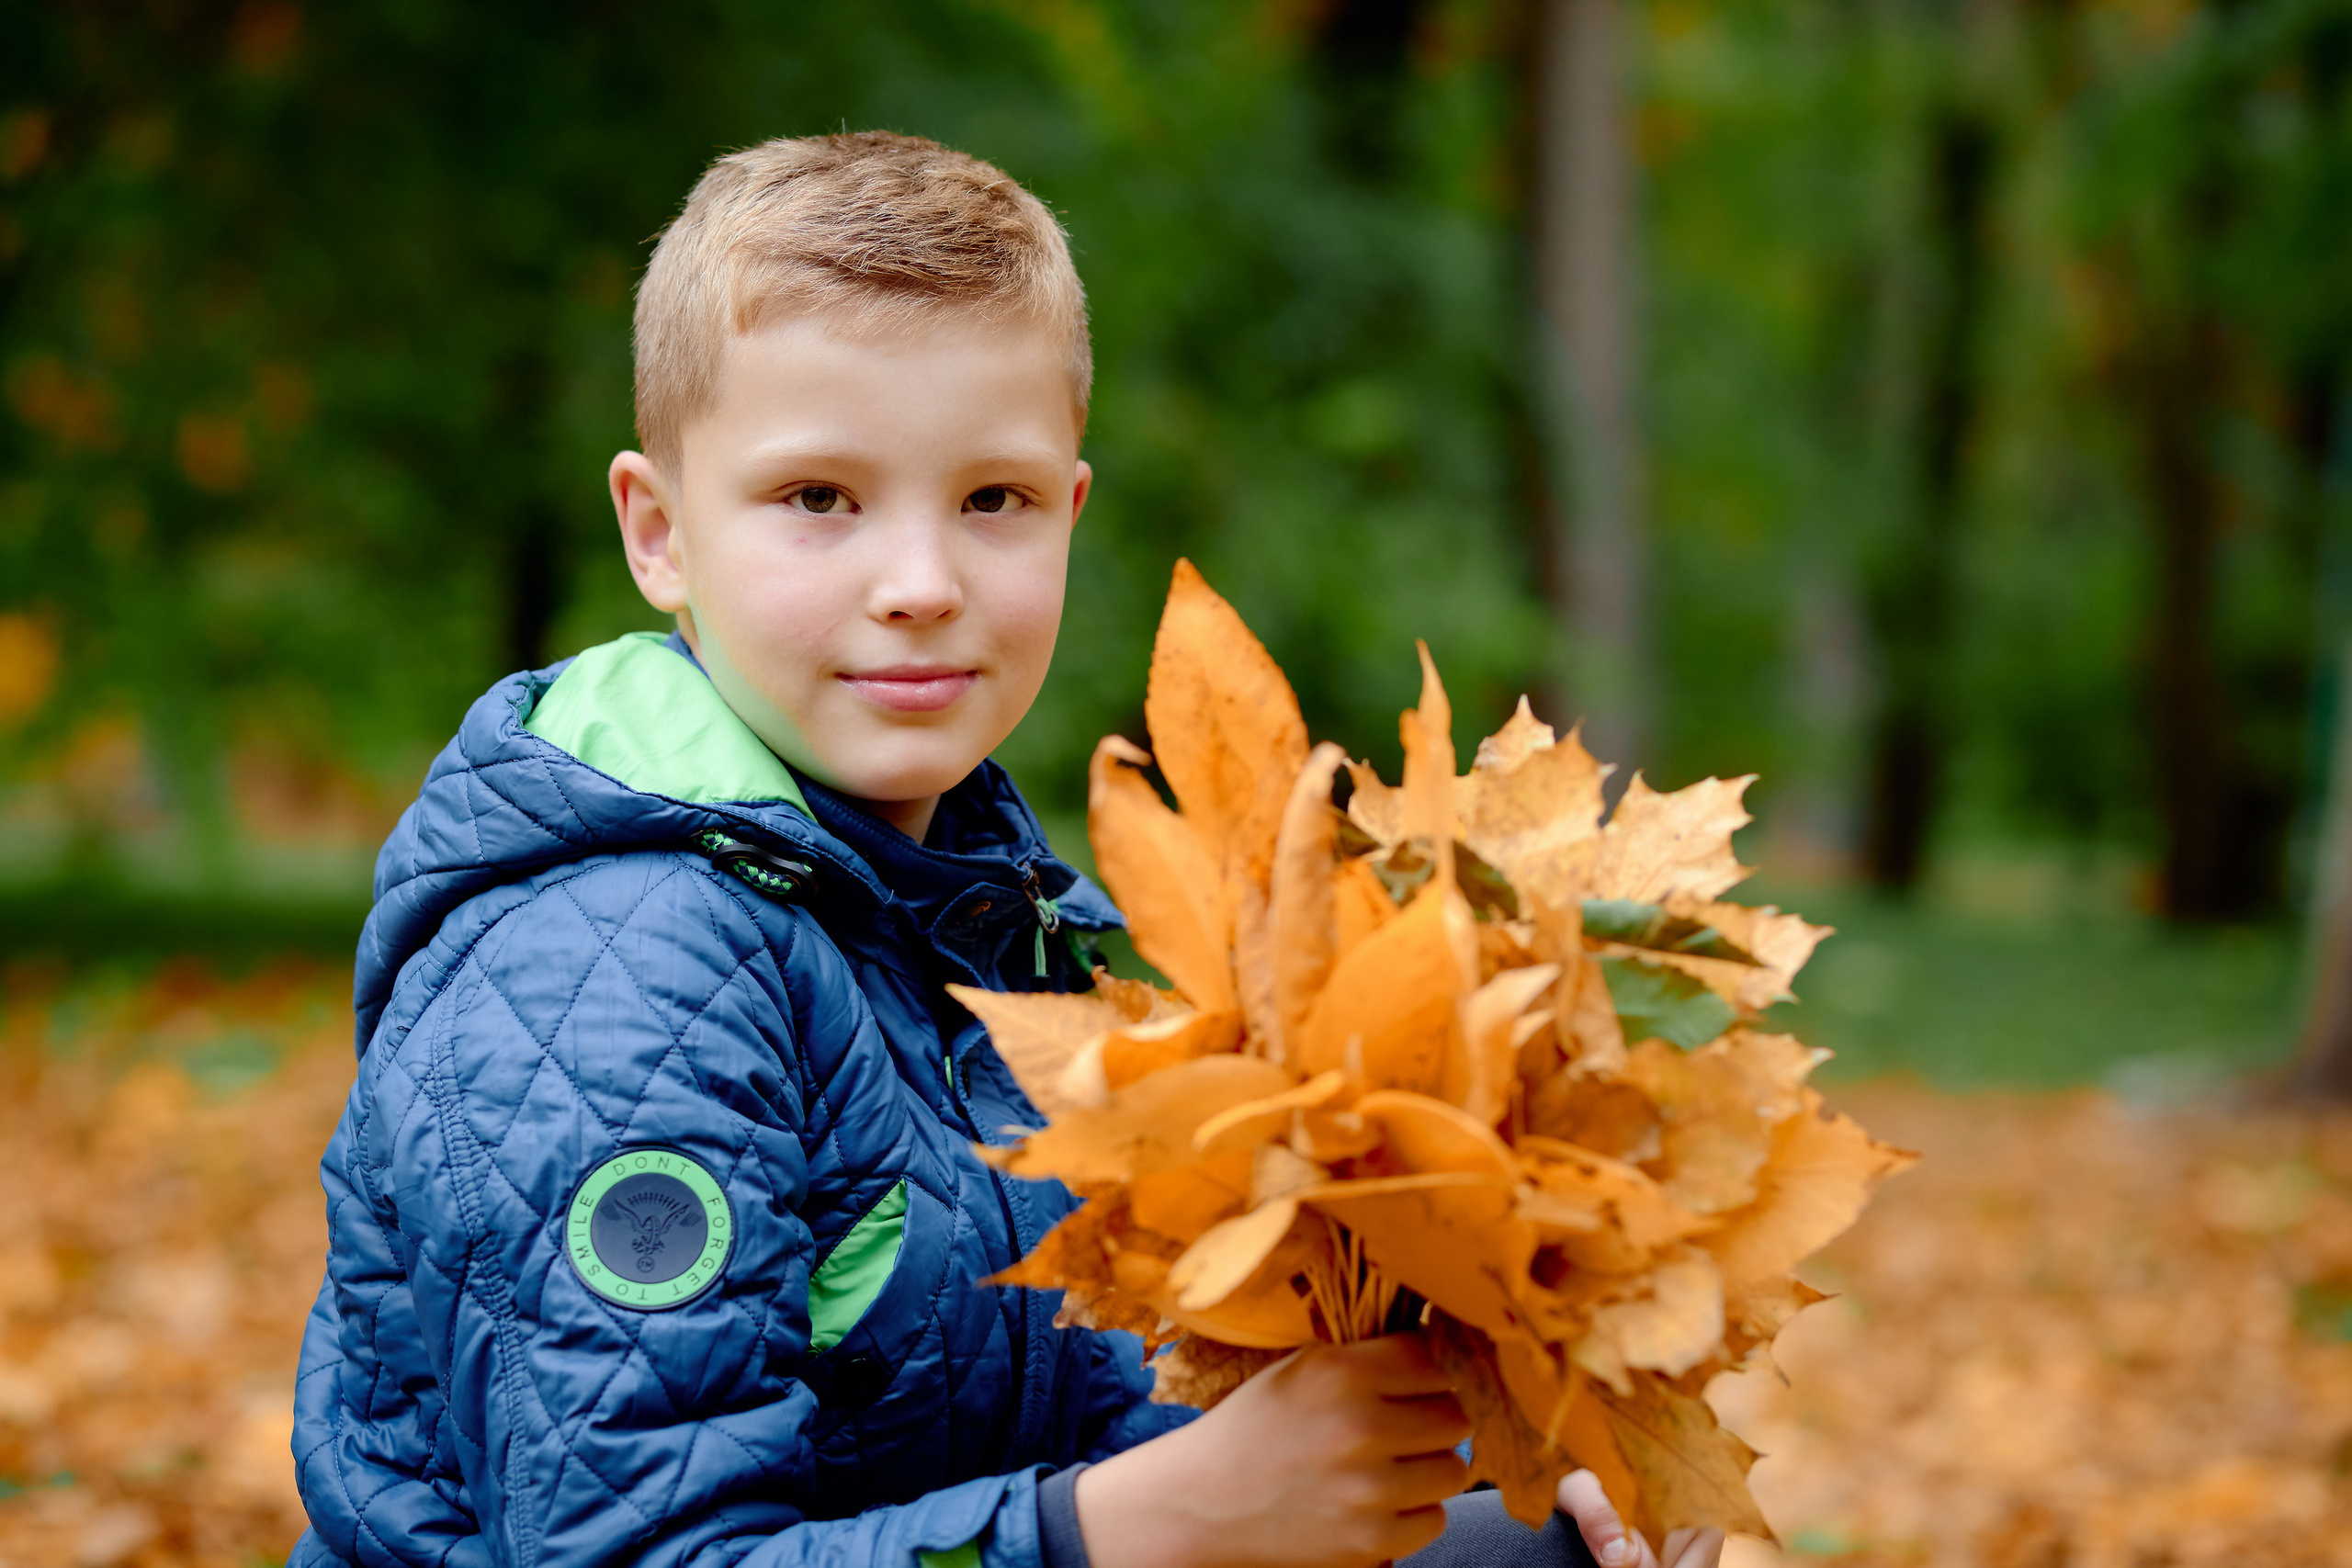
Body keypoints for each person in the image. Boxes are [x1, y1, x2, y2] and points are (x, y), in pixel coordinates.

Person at [289, 130, 1720, 1568]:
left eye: (993, 501)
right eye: (818, 499)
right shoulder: (615, 975)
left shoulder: (982, 912)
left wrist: (1487, 1460)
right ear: (660, 534)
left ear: (1069, 514)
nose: (921, 585)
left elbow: (1089, 1403)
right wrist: (1118, 1530)